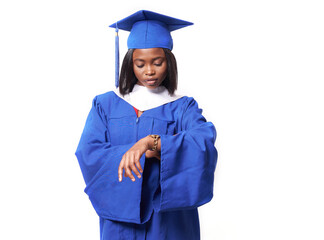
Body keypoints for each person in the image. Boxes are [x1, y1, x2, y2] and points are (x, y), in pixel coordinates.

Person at [75, 10, 218, 240]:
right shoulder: (106, 105)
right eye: (140, 64)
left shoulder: (182, 107)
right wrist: (136, 154)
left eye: (158, 62)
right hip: (120, 223)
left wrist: (151, 143)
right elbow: (89, 153)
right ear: (130, 64)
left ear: (168, 62)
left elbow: (202, 141)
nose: (149, 71)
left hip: (169, 224)